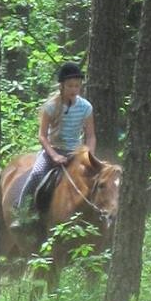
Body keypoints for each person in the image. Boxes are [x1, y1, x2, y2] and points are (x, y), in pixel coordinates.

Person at [14, 62, 96, 218]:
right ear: (62, 86)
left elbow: (91, 135)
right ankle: (21, 211)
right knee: (36, 174)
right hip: (53, 151)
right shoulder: (50, 107)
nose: (74, 90)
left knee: (97, 178)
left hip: (75, 152)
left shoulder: (86, 107)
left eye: (77, 86)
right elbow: (42, 136)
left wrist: (89, 155)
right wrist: (54, 155)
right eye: (70, 86)